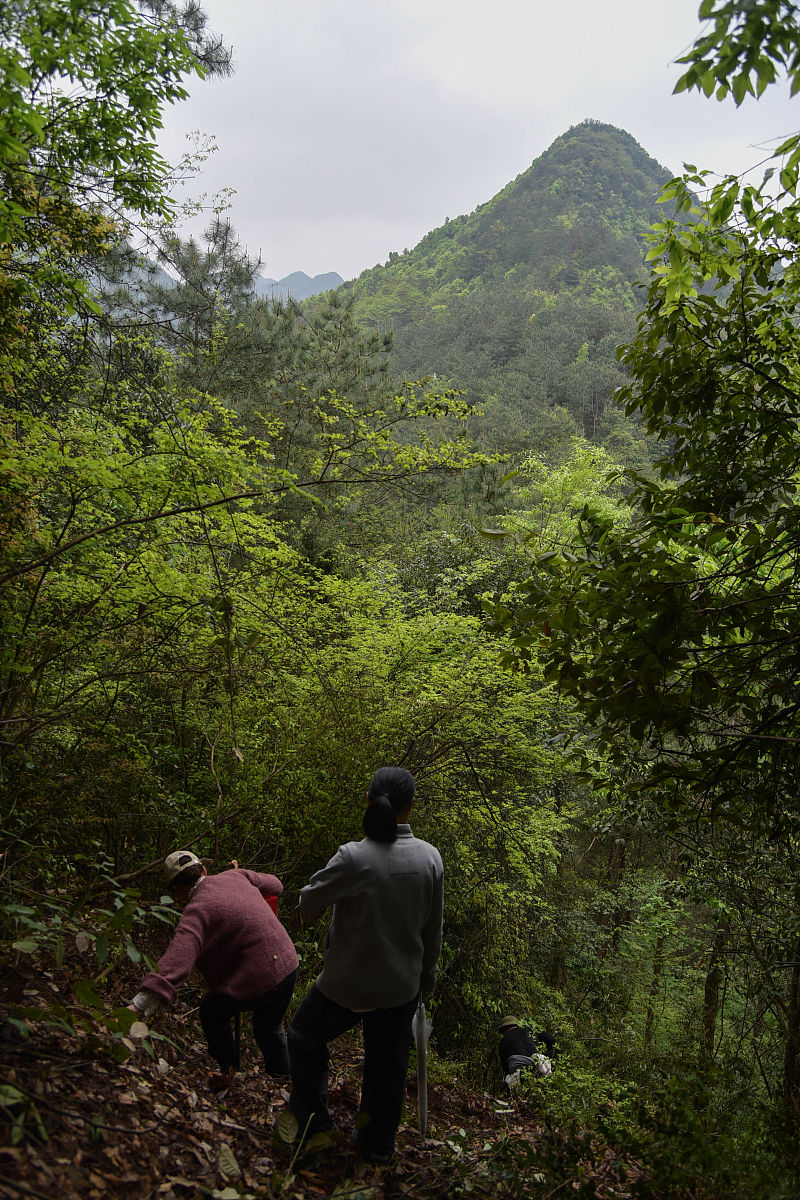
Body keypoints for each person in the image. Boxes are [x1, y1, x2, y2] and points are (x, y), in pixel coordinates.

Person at [280, 767, 444, 1164]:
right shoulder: (429, 858)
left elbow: (308, 902)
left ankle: (314, 1120)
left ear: (369, 800)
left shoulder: (355, 857)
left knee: (303, 1036)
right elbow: (433, 928)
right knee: (387, 1066)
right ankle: (376, 1145)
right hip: (401, 987)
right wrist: (426, 980)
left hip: (345, 986)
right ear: (411, 805)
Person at [129, 850, 298, 1090]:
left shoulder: (196, 911)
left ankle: (228, 1072)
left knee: (212, 1010)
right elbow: (276, 885)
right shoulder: (236, 876)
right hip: (288, 965)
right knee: (269, 1029)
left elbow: (177, 962)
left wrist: (137, 1005)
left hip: (260, 978)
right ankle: (284, 1085)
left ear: (176, 890)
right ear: (204, 871)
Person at [497, 1016, 556, 1090]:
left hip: (519, 1074)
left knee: (506, 1087)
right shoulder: (528, 1030)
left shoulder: (502, 1042)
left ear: (503, 1030)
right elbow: (552, 1040)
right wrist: (547, 1054)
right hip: (537, 1065)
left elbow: (506, 1069)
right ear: (517, 1024)